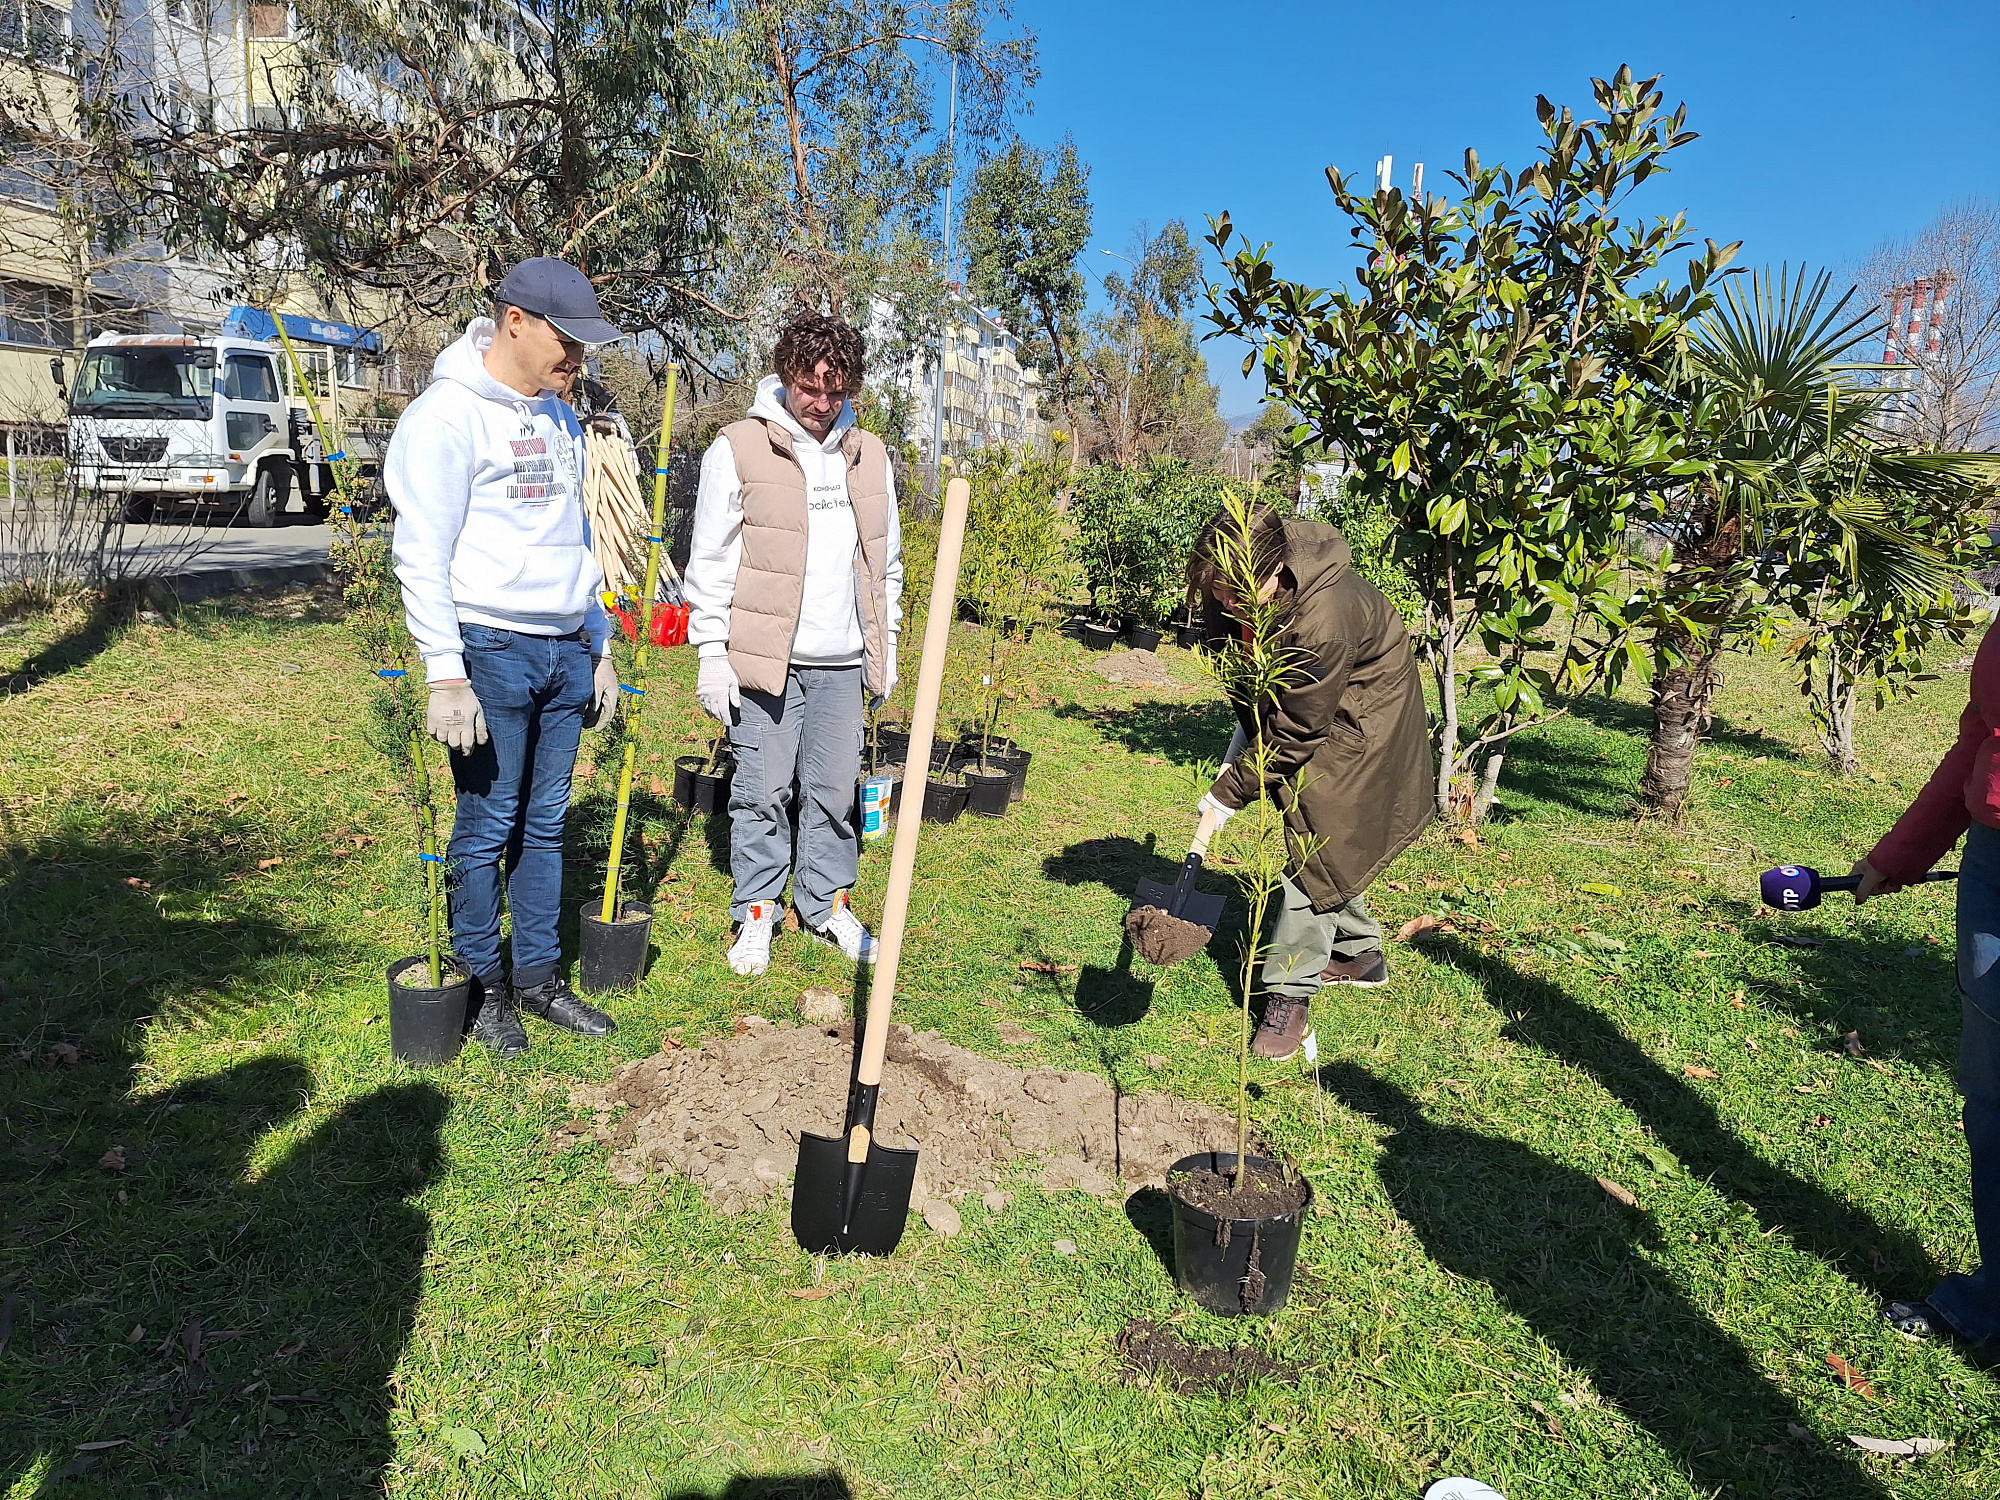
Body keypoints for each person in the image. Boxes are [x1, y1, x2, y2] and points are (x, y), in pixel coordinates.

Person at [387, 257, 625, 1058]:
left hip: (562, 650)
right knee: (488, 824)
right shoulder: (447, 417)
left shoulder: (559, 419)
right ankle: (484, 988)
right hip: (489, 649)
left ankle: (538, 978)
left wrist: (598, 644)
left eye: (586, 347)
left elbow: (575, 538)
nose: (577, 360)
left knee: (547, 824)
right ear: (514, 321)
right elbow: (420, 551)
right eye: (567, 341)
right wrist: (445, 672)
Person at [684, 312, 902, 977]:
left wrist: (884, 642)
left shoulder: (868, 456)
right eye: (811, 388)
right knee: (761, 791)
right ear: (786, 376)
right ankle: (756, 911)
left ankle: (824, 902)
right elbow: (712, 557)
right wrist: (711, 652)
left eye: (836, 391)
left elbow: (884, 561)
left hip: (839, 661)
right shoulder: (741, 448)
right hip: (765, 662)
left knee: (835, 795)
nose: (822, 404)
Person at [1187, 502, 1432, 1060]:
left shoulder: (1323, 616)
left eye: (1232, 592)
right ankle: (1362, 954)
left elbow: (1299, 726)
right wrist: (1249, 723)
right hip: (1327, 710)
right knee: (1333, 849)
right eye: (1218, 592)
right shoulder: (1254, 587)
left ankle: (1288, 994)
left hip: (1364, 726)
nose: (1225, 602)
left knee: (1317, 840)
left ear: (1273, 569)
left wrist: (1231, 791)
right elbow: (1255, 669)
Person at [1855, 621, 2000, 1346]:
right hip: (1994, 863)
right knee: (1993, 1095)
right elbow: (1983, 732)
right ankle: (1993, 1297)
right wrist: (1903, 852)